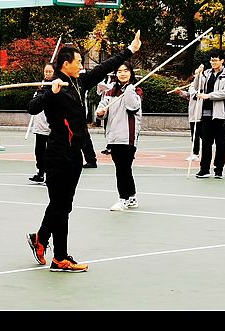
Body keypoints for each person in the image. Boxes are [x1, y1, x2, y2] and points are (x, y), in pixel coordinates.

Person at [26, 30, 141, 273]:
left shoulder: (78, 82)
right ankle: (60, 258)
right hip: (57, 154)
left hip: (74, 154)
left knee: (62, 205)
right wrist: (50, 93)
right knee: (61, 207)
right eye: (78, 62)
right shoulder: (53, 85)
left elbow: (103, 68)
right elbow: (32, 108)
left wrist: (129, 50)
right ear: (66, 64)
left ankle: (41, 238)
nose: (81, 66)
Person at [96, 61, 143, 211]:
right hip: (113, 135)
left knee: (123, 168)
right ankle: (132, 197)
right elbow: (103, 107)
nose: (122, 74)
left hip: (128, 136)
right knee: (123, 168)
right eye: (120, 71)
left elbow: (132, 106)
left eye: (126, 70)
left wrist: (129, 90)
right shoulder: (110, 91)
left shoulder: (136, 90)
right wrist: (100, 112)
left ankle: (123, 199)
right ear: (116, 74)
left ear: (131, 73)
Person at [192, 51, 225, 179]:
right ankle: (204, 169)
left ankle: (218, 170)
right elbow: (196, 87)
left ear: (222, 61)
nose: (213, 62)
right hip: (206, 114)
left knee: (220, 144)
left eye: (215, 60)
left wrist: (208, 96)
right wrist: (198, 75)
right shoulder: (207, 73)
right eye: (211, 60)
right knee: (206, 143)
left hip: (221, 115)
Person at [168, 64, 203, 162]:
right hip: (193, 114)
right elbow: (189, 96)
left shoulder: (203, 85)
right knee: (194, 135)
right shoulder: (192, 86)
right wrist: (180, 92)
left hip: (201, 114)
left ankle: (202, 154)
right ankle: (195, 153)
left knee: (202, 136)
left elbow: (198, 95)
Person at [27, 62, 54, 184]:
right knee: (39, 151)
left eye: (50, 71)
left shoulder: (55, 86)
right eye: (46, 71)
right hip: (39, 125)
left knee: (50, 152)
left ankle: (50, 175)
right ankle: (40, 173)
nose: (47, 73)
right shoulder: (41, 86)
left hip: (51, 126)